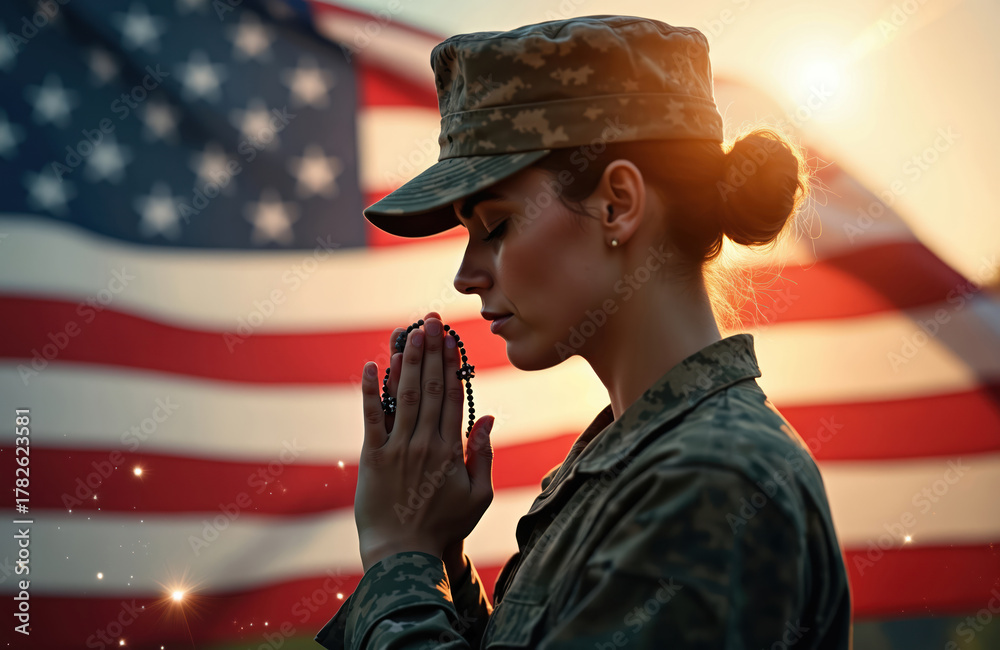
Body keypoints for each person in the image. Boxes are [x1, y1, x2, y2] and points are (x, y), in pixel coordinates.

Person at [315, 14, 852, 650]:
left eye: (496, 225)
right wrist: (439, 561)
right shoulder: (649, 461)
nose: (465, 276)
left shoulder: (708, 482)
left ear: (617, 204)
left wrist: (397, 561)